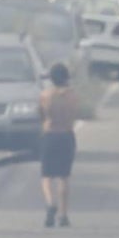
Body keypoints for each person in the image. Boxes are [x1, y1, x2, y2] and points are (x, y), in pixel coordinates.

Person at [39, 62, 80, 228]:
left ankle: (51, 203)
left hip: (50, 135)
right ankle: (63, 215)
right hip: (67, 136)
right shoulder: (73, 96)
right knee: (64, 176)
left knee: (47, 176)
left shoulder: (45, 95)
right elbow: (75, 114)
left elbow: (41, 115)